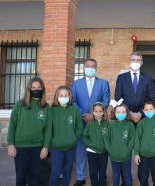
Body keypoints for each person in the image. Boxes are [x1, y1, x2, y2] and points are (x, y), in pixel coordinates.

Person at [71, 58, 110, 186]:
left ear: (96, 68)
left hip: (98, 121)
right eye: (88, 66)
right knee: (81, 149)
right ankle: (81, 177)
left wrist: (94, 114)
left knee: (98, 149)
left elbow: (106, 101)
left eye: (93, 66)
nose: (90, 68)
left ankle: (99, 177)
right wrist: (84, 114)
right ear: (83, 68)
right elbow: (74, 101)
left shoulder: (103, 83)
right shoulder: (76, 84)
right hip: (81, 121)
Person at [7, 77, 49, 186]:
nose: (36, 89)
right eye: (33, 87)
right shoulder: (20, 104)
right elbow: (12, 124)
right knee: (21, 177)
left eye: (39, 87)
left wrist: (45, 147)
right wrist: (11, 144)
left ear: (43, 89)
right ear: (29, 89)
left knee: (35, 177)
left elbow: (48, 129)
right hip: (21, 147)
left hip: (38, 147)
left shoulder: (46, 107)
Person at [44, 86, 83, 186]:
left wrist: (74, 138)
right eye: (61, 95)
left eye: (66, 95)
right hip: (56, 148)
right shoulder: (52, 110)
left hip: (71, 147)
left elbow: (79, 127)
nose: (63, 97)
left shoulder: (75, 110)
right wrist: (52, 141)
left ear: (70, 96)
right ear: (57, 97)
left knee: (68, 171)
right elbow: (48, 128)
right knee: (55, 172)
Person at [115, 52, 155, 123]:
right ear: (130, 61)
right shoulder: (121, 78)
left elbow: (151, 98)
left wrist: (140, 113)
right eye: (133, 60)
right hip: (126, 116)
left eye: (138, 60)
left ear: (141, 62)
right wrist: (129, 113)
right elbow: (118, 98)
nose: (135, 62)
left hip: (143, 117)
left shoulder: (148, 78)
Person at [134, 99, 155, 186]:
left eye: (151, 109)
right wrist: (136, 153)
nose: (149, 111)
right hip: (143, 156)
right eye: (146, 110)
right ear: (143, 111)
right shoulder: (141, 124)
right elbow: (137, 139)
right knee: (143, 177)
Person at [104, 103, 135, 186]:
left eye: (123, 112)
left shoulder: (130, 125)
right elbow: (106, 137)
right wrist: (109, 149)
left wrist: (128, 149)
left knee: (127, 175)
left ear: (127, 113)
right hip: (114, 157)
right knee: (115, 175)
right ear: (114, 113)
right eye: (118, 112)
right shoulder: (111, 125)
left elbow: (133, 138)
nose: (120, 114)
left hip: (126, 157)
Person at [82, 102, 109, 186]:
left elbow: (110, 137)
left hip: (103, 153)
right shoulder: (90, 123)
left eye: (100, 111)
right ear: (92, 112)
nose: (98, 113)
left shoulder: (107, 124)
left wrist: (107, 147)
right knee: (93, 172)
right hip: (92, 153)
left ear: (104, 112)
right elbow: (84, 137)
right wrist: (91, 144)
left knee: (102, 171)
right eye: (96, 111)